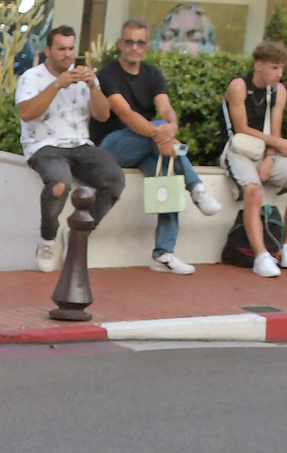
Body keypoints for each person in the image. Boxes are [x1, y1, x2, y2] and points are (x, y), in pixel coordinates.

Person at [93, 18, 225, 274]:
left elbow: (166, 110)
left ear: (147, 46)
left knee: (170, 175)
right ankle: (197, 187)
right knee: (155, 126)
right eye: (129, 42)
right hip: (113, 145)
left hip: (145, 145)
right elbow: (127, 115)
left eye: (140, 42)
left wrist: (170, 129)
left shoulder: (153, 74)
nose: (134, 47)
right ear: (121, 43)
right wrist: (160, 134)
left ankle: (163, 253)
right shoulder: (108, 74)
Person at [14, 25, 121, 272]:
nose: (67, 55)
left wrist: (94, 86)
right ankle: (47, 240)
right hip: (44, 146)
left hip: (80, 145)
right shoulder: (32, 77)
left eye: (71, 48)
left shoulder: (84, 77)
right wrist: (57, 85)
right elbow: (27, 113)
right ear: (48, 50)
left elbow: (103, 115)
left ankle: (79, 235)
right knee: (60, 184)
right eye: (61, 49)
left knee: (114, 180)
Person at [222, 41, 287, 278]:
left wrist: (271, 156)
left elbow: (276, 130)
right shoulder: (239, 86)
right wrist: (279, 144)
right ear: (258, 65)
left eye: (281, 68)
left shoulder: (279, 91)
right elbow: (240, 128)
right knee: (254, 191)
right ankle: (261, 256)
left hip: (265, 151)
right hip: (238, 150)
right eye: (274, 67)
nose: (279, 74)